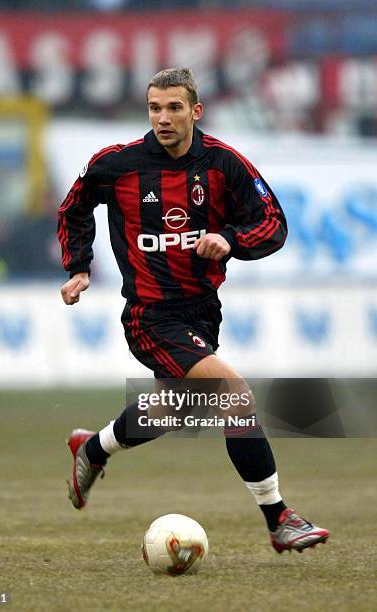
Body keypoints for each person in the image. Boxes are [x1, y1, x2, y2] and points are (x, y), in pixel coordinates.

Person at [57, 67, 329, 553]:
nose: (163, 118)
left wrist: (230, 239)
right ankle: (280, 519)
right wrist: (79, 265)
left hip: (203, 311)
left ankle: (93, 447)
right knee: (233, 394)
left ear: (195, 111)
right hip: (150, 316)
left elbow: (274, 223)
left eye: (174, 107)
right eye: (155, 108)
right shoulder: (117, 165)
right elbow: (73, 207)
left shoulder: (225, 164)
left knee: (176, 407)